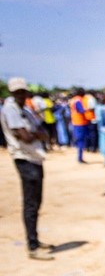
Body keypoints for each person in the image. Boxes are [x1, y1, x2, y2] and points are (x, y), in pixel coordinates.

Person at [1, 77, 55, 260]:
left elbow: (43, 133)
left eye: (23, 91)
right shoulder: (11, 110)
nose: (21, 95)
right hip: (24, 158)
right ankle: (32, 246)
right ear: (12, 93)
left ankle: (35, 239)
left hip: (34, 158)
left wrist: (38, 134)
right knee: (31, 203)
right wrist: (39, 135)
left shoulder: (25, 109)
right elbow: (25, 136)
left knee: (37, 201)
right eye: (18, 92)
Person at [70, 88, 90, 163]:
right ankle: (80, 158)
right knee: (81, 140)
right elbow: (81, 110)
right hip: (80, 122)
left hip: (75, 121)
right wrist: (87, 109)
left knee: (79, 139)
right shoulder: (78, 100)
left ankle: (80, 156)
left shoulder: (73, 100)